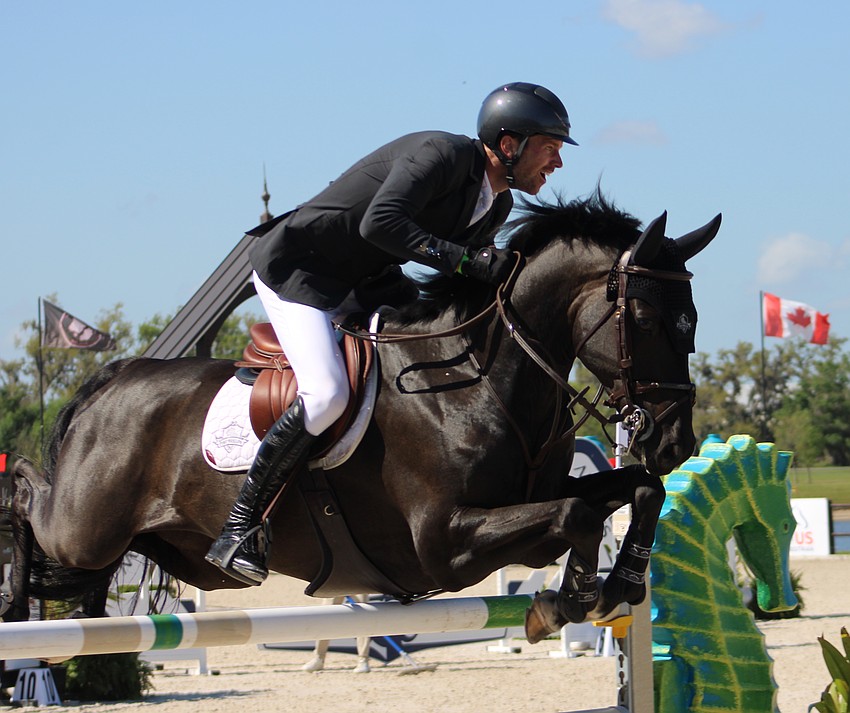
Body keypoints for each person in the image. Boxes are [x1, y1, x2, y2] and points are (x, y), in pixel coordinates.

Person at [205, 82, 578, 585]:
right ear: (509, 144)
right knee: (327, 395)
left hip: (366, 281)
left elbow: (455, 279)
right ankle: (241, 526)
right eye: (550, 149)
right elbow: (380, 224)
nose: (556, 164)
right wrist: (469, 259)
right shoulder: (440, 153)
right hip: (301, 270)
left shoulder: (497, 205)